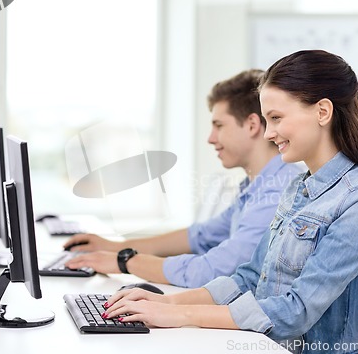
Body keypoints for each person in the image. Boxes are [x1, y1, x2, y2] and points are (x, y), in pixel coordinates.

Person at [102, 50, 358, 354]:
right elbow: (249, 276)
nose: (268, 133)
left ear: (322, 112)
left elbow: (295, 312)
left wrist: (179, 314)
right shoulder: (299, 188)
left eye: (276, 118)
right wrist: (167, 302)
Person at [64, 69, 301, 288]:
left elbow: (211, 270)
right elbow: (199, 236)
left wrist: (124, 261)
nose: (210, 138)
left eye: (219, 125)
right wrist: (112, 247)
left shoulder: (278, 192)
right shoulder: (257, 186)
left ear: (251, 125)